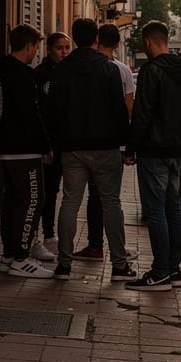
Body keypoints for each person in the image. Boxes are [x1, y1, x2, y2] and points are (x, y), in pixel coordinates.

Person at [49, 18, 136, 283]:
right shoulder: (109, 70)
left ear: (74, 38)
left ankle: (64, 265)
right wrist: (126, 146)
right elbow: (119, 111)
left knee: (69, 203)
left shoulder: (62, 70)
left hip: (73, 147)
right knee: (111, 204)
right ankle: (119, 265)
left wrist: (57, 143)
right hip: (106, 147)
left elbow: (54, 111)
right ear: (95, 38)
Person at [124, 20, 181, 291]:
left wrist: (131, 148)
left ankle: (160, 272)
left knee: (155, 211)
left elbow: (142, 114)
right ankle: (174, 270)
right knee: (173, 208)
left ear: (147, 42)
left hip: (154, 150)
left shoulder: (151, 71)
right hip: (177, 150)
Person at [0, 24, 54, 278]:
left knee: (12, 202)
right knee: (33, 200)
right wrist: (45, 146)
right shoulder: (23, 76)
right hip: (24, 149)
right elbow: (32, 115)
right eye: (36, 46)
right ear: (29, 46)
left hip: (4, 146)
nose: (36, 52)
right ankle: (20, 257)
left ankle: (8, 256)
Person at [73, 23, 139, 263]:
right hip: (115, 143)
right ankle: (118, 252)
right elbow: (129, 108)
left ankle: (94, 245)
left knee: (92, 197)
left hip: (87, 139)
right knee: (112, 199)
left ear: (97, 40)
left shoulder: (85, 66)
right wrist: (128, 144)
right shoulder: (122, 70)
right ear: (118, 44)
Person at [31, 31, 71, 263]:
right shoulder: (40, 75)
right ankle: (37, 237)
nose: (64, 52)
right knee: (42, 192)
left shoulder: (70, 74)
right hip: (46, 145)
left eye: (67, 48)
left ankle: (49, 234)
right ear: (49, 50)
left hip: (64, 144)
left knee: (55, 191)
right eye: (59, 48)